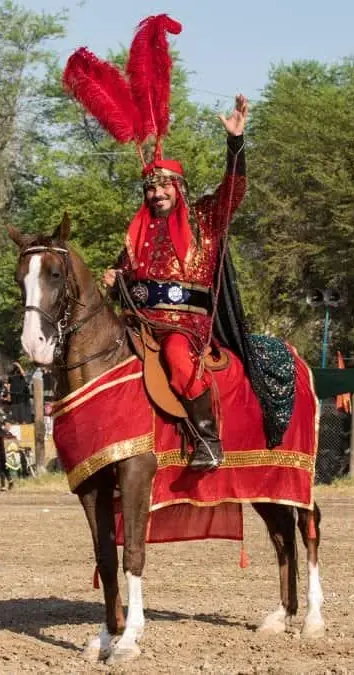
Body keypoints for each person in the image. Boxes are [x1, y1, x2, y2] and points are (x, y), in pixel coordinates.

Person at [98, 96, 248, 470]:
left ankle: (208, 440)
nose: (157, 193)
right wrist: (115, 281)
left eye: (164, 186)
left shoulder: (205, 219)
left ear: (177, 188)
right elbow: (126, 286)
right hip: (139, 324)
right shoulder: (136, 235)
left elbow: (234, 190)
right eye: (150, 188)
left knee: (178, 361)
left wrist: (235, 142)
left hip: (184, 326)